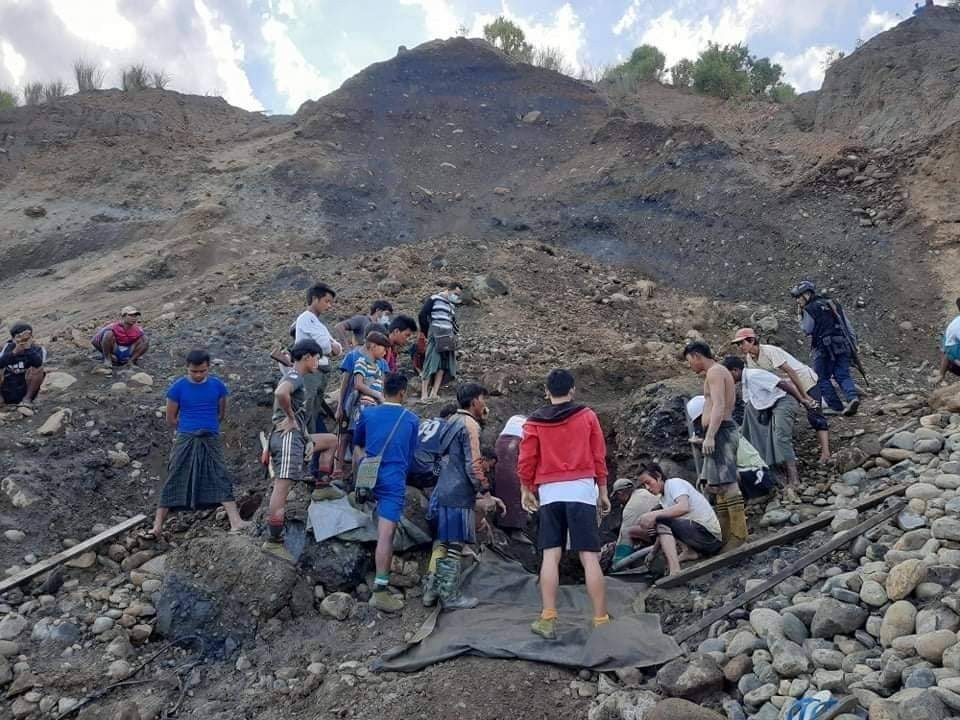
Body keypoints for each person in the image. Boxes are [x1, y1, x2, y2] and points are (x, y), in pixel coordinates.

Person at [518, 368, 611, 640]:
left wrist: (526, 489)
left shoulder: (534, 422)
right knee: (589, 556)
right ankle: (601, 619)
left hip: (550, 492)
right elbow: (599, 456)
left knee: (551, 554)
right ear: (572, 390)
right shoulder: (588, 416)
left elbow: (527, 459)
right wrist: (603, 491)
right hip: (582, 490)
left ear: (547, 391)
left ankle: (548, 618)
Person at [146, 350, 248, 538]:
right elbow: (171, 418)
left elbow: (220, 414)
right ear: (187, 368)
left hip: (210, 437)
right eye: (194, 371)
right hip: (186, 437)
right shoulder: (177, 388)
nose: (198, 375)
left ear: (208, 367)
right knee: (175, 475)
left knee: (220, 475)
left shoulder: (218, 386)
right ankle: (157, 526)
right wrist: (189, 428)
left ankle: (236, 521)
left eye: (202, 371)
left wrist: (207, 427)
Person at [263, 339, 339, 561]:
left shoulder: (298, 377)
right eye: (316, 358)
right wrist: (290, 418)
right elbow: (280, 393)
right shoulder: (295, 376)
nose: (317, 363)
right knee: (282, 487)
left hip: (298, 437)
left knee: (331, 441)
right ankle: (274, 541)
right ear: (307, 357)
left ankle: (322, 485)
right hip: (288, 437)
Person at [353, 373, 420, 613]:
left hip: (368, 475)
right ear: (403, 392)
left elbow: (357, 444)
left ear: (383, 389)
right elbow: (411, 456)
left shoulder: (368, 414)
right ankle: (380, 591)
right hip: (393, 480)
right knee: (386, 535)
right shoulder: (411, 419)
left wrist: (362, 465)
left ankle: (356, 495)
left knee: (374, 517)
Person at [425, 383, 495, 610]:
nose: (485, 404)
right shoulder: (470, 425)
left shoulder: (452, 420)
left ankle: (431, 590)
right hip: (458, 492)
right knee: (455, 545)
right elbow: (474, 464)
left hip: (443, 488)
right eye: (483, 400)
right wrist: (484, 489)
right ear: (474, 401)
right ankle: (450, 596)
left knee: (443, 542)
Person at [683, 342, 748, 551]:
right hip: (719, 430)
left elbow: (719, 404)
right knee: (717, 485)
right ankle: (726, 534)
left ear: (696, 356)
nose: (690, 366)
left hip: (721, 431)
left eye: (689, 361)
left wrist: (710, 436)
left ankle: (739, 535)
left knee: (728, 482)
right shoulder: (716, 372)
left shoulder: (715, 372)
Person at [732, 328, 831, 463]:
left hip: (804, 380)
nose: (740, 347)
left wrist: (804, 396)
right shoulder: (750, 358)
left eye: (742, 343)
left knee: (815, 414)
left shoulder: (769, 351)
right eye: (738, 344)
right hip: (787, 386)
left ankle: (825, 452)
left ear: (752, 340)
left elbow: (791, 372)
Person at [722, 356, 813, 488]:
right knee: (751, 421)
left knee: (781, 436)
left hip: (783, 400)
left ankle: (794, 478)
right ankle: (771, 467)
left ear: (735, 370)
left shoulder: (754, 376)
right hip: (770, 406)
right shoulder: (745, 384)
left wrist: (802, 399)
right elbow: (752, 405)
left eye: (727, 374)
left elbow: (783, 384)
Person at [292, 283, 343, 496]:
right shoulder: (306, 318)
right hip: (312, 374)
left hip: (320, 374)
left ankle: (317, 470)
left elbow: (336, 346)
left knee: (315, 415)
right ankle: (307, 466)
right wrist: (332, 346)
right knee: (308, 414)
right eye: (326, 301)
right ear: (314, 299)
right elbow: (326, 345)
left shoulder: (317, 322)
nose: (329, 306)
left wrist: (333, 346)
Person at [635, 464, 723, 576]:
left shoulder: (674, 484)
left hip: (711, 539)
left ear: (658, 476)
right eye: (644, 485)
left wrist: (653, 515)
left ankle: (675, 570)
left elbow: (683, 507)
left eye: (648, 482)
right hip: (700, 539)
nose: (647, 488)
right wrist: (653, 552)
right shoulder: (663, 498)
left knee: (661, 518)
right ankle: (689, 551)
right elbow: (665, 529)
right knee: (662, 518)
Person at [791, 281, 860, 416]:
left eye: (798, 297)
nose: (797, 301)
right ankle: (852, 398)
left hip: (824, 348)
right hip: (842, 344)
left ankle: (836, 406)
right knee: (842, 374)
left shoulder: (810, 308)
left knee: (820, 377)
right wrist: (854, 344)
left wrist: (800, 317)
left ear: (806, 294)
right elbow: (847, 325)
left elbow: (807, 329)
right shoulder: (831, 303)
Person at [687, 396, 771, 499]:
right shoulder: (716, 433)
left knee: (718, 479)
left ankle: (739, 504)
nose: (700, 424)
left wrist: (703, 443)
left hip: (759, 475)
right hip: (747, 474)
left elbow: (724, 465)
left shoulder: (722, 432)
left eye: (699, 420)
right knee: (709, 480)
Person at [419, 282, 463, 401]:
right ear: (449, 289)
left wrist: (455, 334)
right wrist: (427, 331)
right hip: (435, 334)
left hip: (447, 337)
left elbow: (453, 322)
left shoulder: (451, 305)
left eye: (458, 295)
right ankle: (424, 394)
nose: (456, 297)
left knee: (443, 365)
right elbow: (422, 315)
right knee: (430, 362)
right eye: (455, 294)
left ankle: (434, 393)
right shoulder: (434, 299)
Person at [406, 404, 458, 490]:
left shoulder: (426, 422)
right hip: (423, 472)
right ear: (450, 416)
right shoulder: (447, 427)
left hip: (406, 469)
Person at [610, 479, 659, 566]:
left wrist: (615, 558)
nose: (618, 499)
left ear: (620, 493)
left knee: (626, 532)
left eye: (617, 496)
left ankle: (619, 563)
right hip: (667, 527)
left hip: (658, 534)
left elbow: (623, 537)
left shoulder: (630, 508)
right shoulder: (644, 492)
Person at [493, 414, 528, 534]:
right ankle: (516, 527)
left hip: (499, 472)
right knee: (516, 487)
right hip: (514, 472)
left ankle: (505, 522)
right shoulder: (523, 435)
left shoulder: (501, 439)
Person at [0, 323, 46, 407]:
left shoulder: (38, 349)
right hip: (8, 386)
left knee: (38, 369)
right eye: (18, 337)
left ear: (31, 337)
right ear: (12, 338)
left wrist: (28, 349)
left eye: (26, 338)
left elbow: (38, 364)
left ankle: (27, 399)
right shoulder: (8, 347)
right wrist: (14, 352)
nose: (22, 340)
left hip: (28, 387)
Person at [939, 298, 960, 384]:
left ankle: (941, 375)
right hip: (953, 359)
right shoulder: (957, 326)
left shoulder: (957, 320)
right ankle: (941, 375)